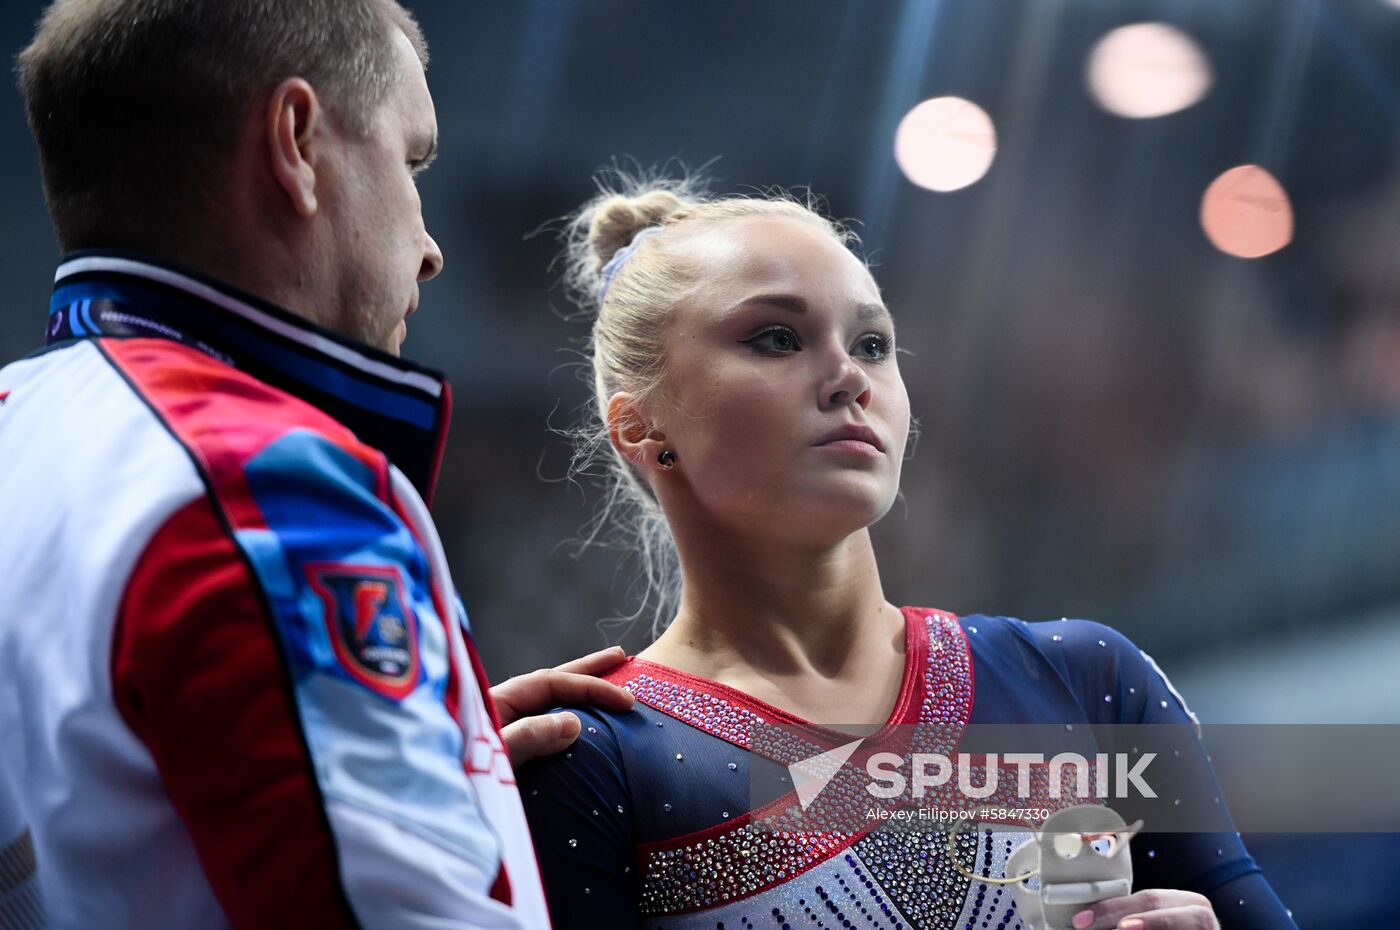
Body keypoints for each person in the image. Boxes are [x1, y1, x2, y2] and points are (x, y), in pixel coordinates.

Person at [517, 177, 1299, 930]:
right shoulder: (590, 757)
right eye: (777, 338)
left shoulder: (1087, 683)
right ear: (641, 425)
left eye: (872, 344)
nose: (848, 378)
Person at [0, 1, 632, 927]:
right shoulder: (258, 481)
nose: (431, 250)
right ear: (295, 143)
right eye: (410, 162)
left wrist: (412, 755)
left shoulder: (27, 419)